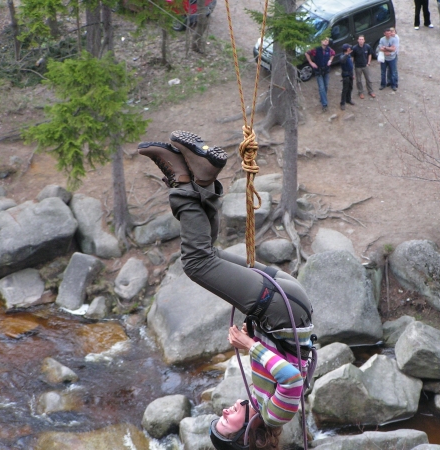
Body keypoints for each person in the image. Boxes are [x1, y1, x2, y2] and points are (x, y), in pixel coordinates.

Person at [137, 132, 314, 450]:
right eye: (226, 422)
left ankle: (198, 178)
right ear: (246, 436)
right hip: (282, 308)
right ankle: (183, 183)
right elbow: (292, 378)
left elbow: (287, 358)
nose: (225, 411)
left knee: (208, 254)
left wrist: (256, 334)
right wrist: (250, 345)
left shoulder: (261, 405)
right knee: (196, 264)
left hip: (285, 301)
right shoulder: (275, 417)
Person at [305, 38, 335, 112]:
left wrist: (330, 60)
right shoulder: (315, 49)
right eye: (324, 40)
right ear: (321, 41)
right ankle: (325, 105)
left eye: (327, 40)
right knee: (321, 87)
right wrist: (311, 62)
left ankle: (322, 98)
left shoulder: (329, 49)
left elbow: (333, 54)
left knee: (325, 86)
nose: (325, 41)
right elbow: (306, 53)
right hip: (318, 71)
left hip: (326, 70)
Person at [339, 44, 355, 110]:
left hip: (350, 74)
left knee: (350, 88)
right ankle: (342, 103)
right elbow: (342, 60)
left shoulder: (349, 55)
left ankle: (348, 99)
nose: (350, 48)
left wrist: (353, 74)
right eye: (348, 48)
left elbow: (351, 65)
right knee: (345, 89)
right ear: (346, 49)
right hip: (345, 75)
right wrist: (347, 54)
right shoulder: (342, 56)